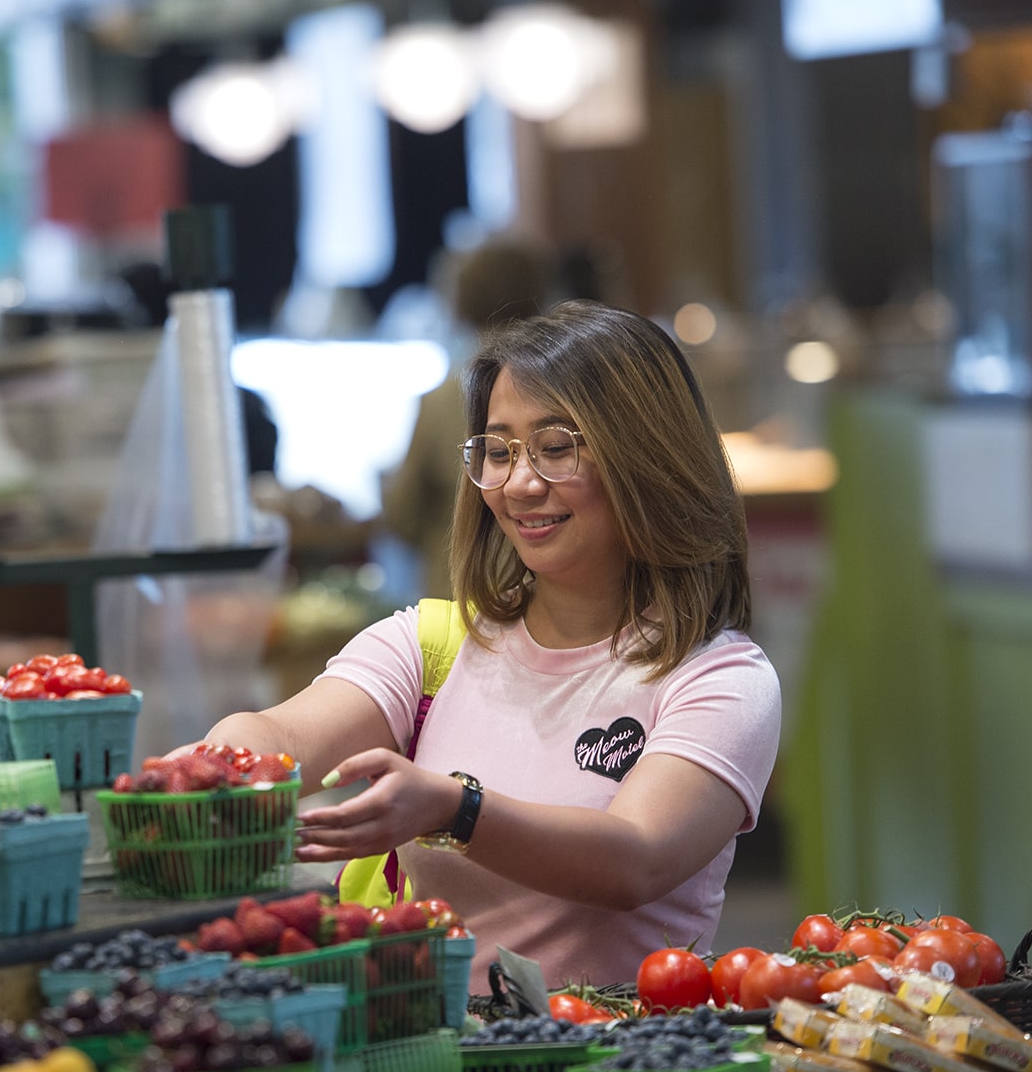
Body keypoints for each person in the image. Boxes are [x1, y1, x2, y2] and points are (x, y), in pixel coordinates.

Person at [184, 301, 781, 990]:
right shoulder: (431, 644)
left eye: (557, 448)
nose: (521, 484)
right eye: (498, 452)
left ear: (646, 455)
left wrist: (455, 808)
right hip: (430, 1069)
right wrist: (215, 769)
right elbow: (281, 732)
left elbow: (634, 861)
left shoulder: (719, 677)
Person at [384, 237, 550, 599]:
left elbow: (402, 515)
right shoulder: (566, 384)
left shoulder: (444, 397)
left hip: (463, 599)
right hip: (549, 599)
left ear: (461, 300)